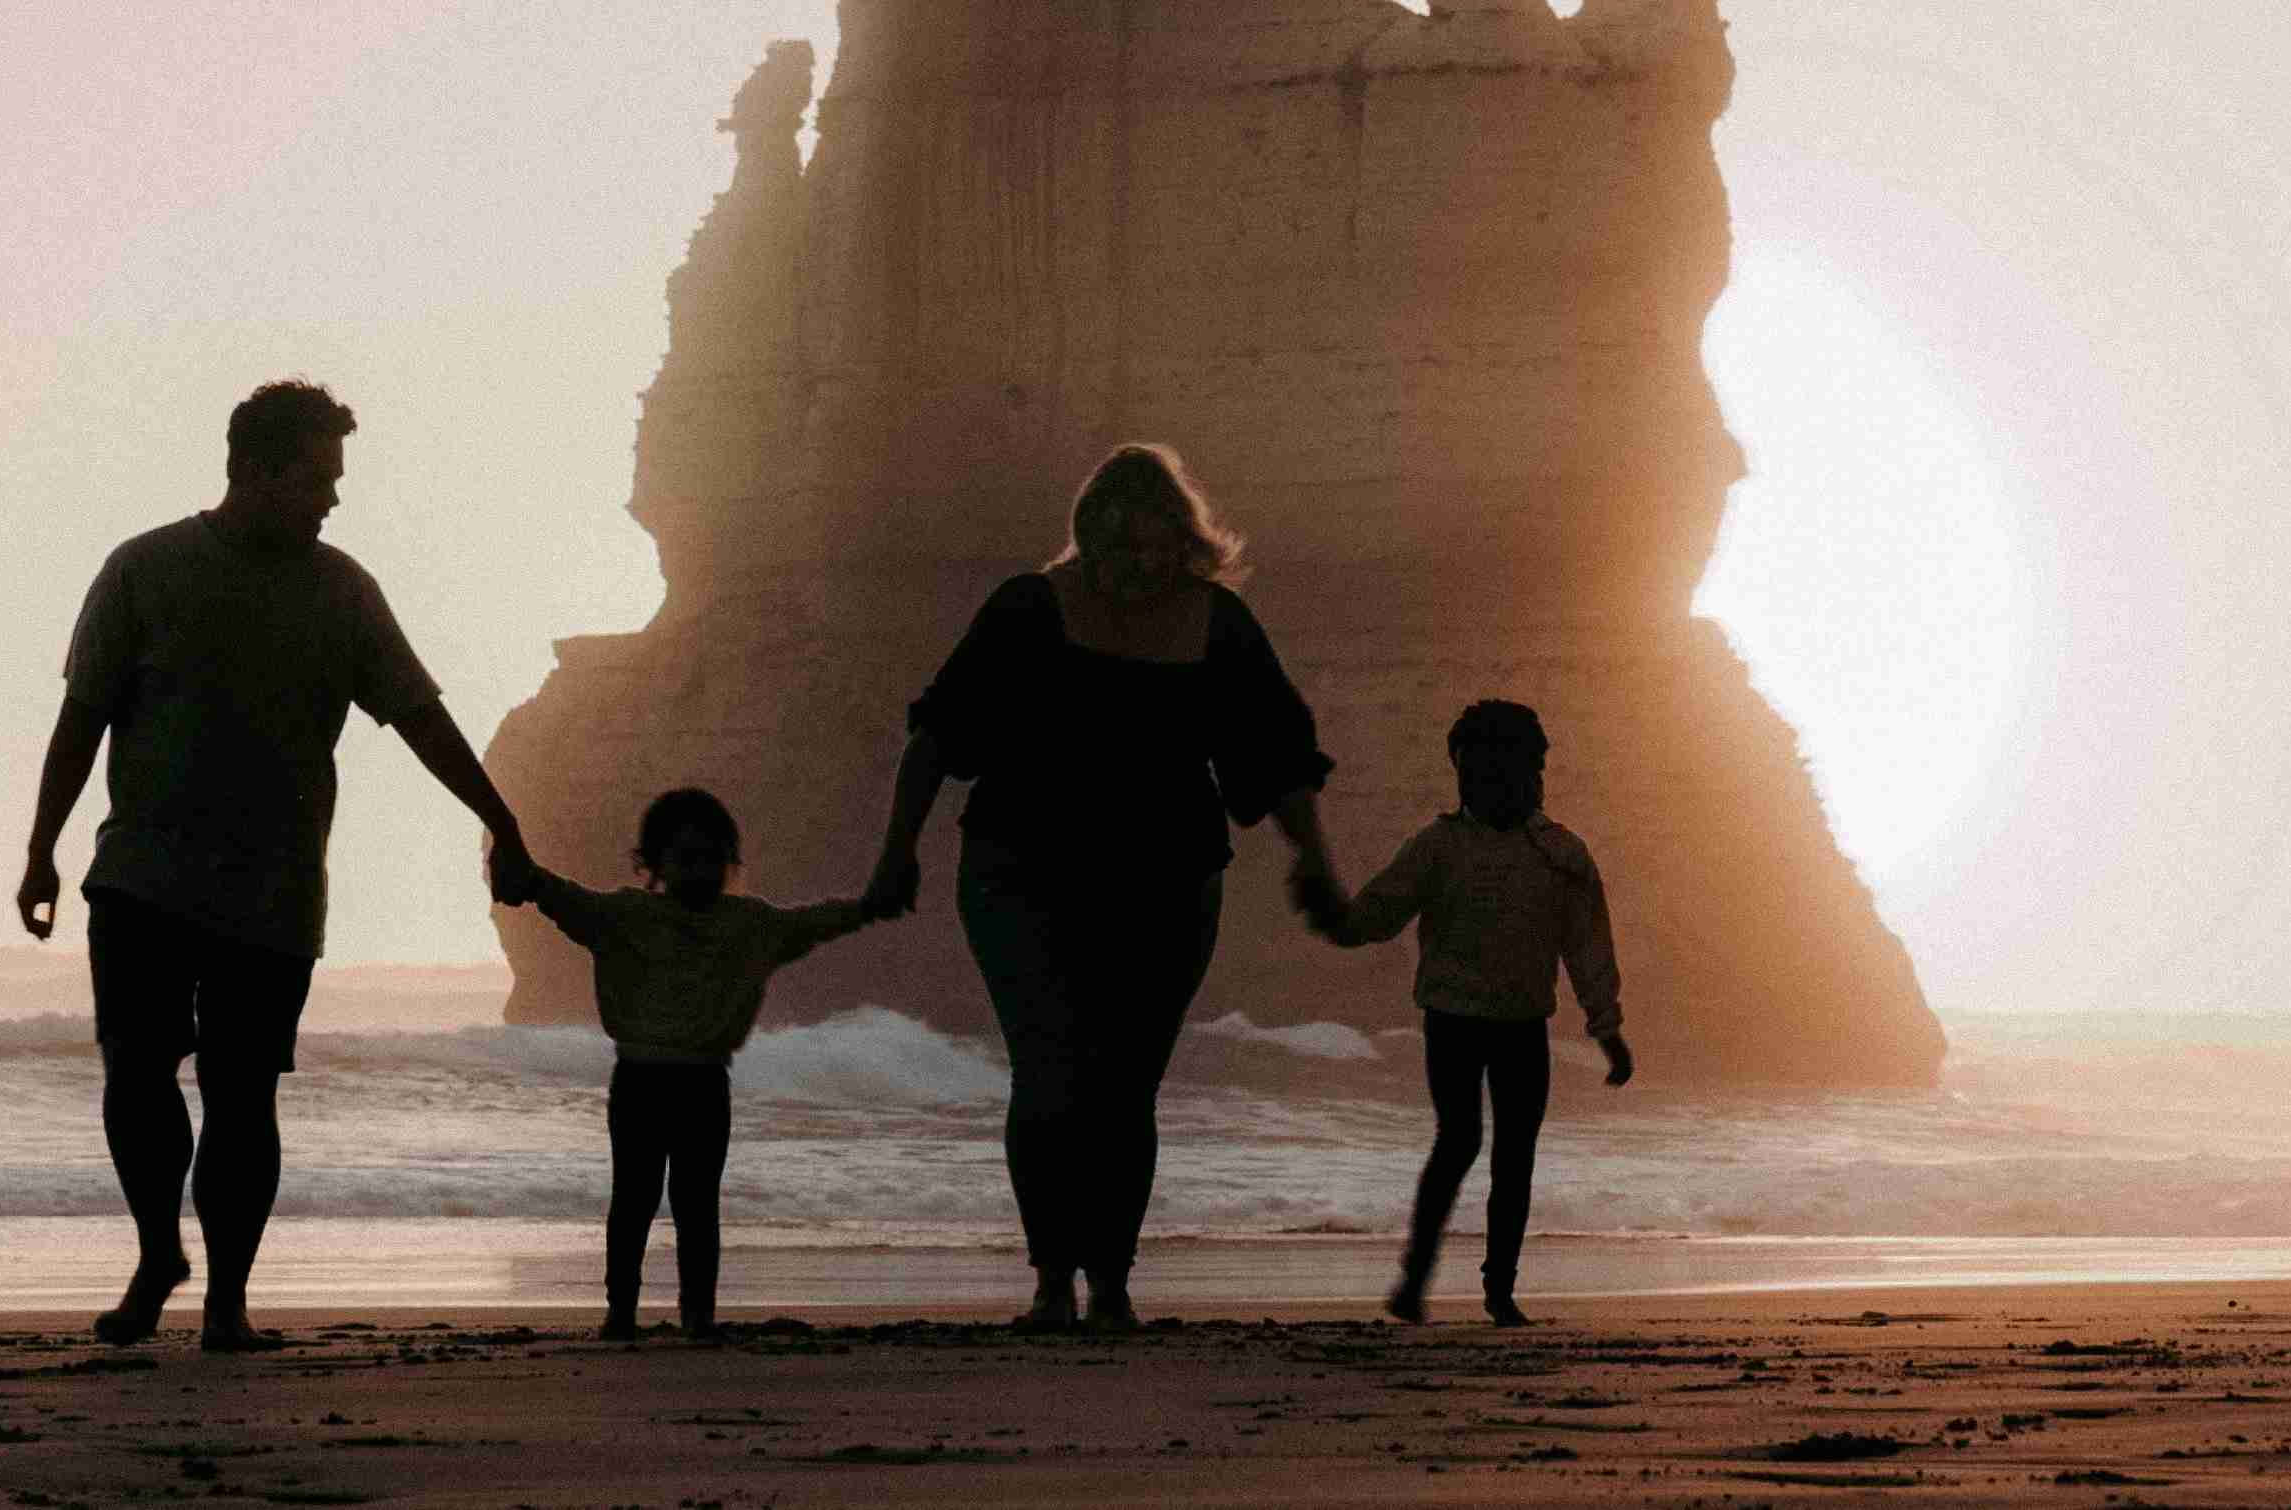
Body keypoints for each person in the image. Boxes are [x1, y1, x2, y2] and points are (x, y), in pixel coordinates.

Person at [12, 380, 531, 1352]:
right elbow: (82, 717)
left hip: (275, 887)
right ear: (253, 468)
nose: (332, 498)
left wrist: (500, 819)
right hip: (143, 876)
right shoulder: (143, 569)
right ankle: (158, 1251)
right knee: (136, 1070)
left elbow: (420, 715)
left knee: (243, 1093)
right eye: (316, 478)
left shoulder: (344, 590)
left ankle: (227, 1302)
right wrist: (41, 849)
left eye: (334, 479)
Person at [869, 443, 1343, 1332]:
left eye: (1154, 546)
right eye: (1118, 546)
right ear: (1087, 537)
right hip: (1021, 872)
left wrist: (1312, 858)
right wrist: (897, 851)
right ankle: (1053, 1278)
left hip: (1167, 879)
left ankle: (1112, 1282)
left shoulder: (1218, 623)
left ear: (1184, 542)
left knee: (1126, 1087)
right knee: (1049, 1072)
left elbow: (1277, 756)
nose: (1136, 564)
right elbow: (938, 734)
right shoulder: (1029, 607)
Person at [493, 788, 878, 1342]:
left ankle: (698, 1314)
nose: (701, 871)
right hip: (640, 1081)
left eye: (713, 859)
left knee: (697, 1204)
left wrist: (867, 908)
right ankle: (620, 1311)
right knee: (634, 1199)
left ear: (731, 863)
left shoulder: (750, 923)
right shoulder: (623, 915)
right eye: (687, 859)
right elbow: (559, 895)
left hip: (704, 1081)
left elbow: (812, 923)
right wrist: (524, 875)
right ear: (654, 865)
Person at [1306, 698, 1635, 1327]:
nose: (1486, 783)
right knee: (1460, 1140)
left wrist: (1607, 1027)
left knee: (1514, 1154)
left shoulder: (1562, 855)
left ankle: (1499, 1290)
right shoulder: (1438, 846)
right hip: (1452, 1020)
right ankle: (1415, 1278)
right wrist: (1336, 918)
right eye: (1473, 771)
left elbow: (1588, 948)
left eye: (1502, 770)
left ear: (1534, 772)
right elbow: (1380, 913)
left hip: (1523, 1025)